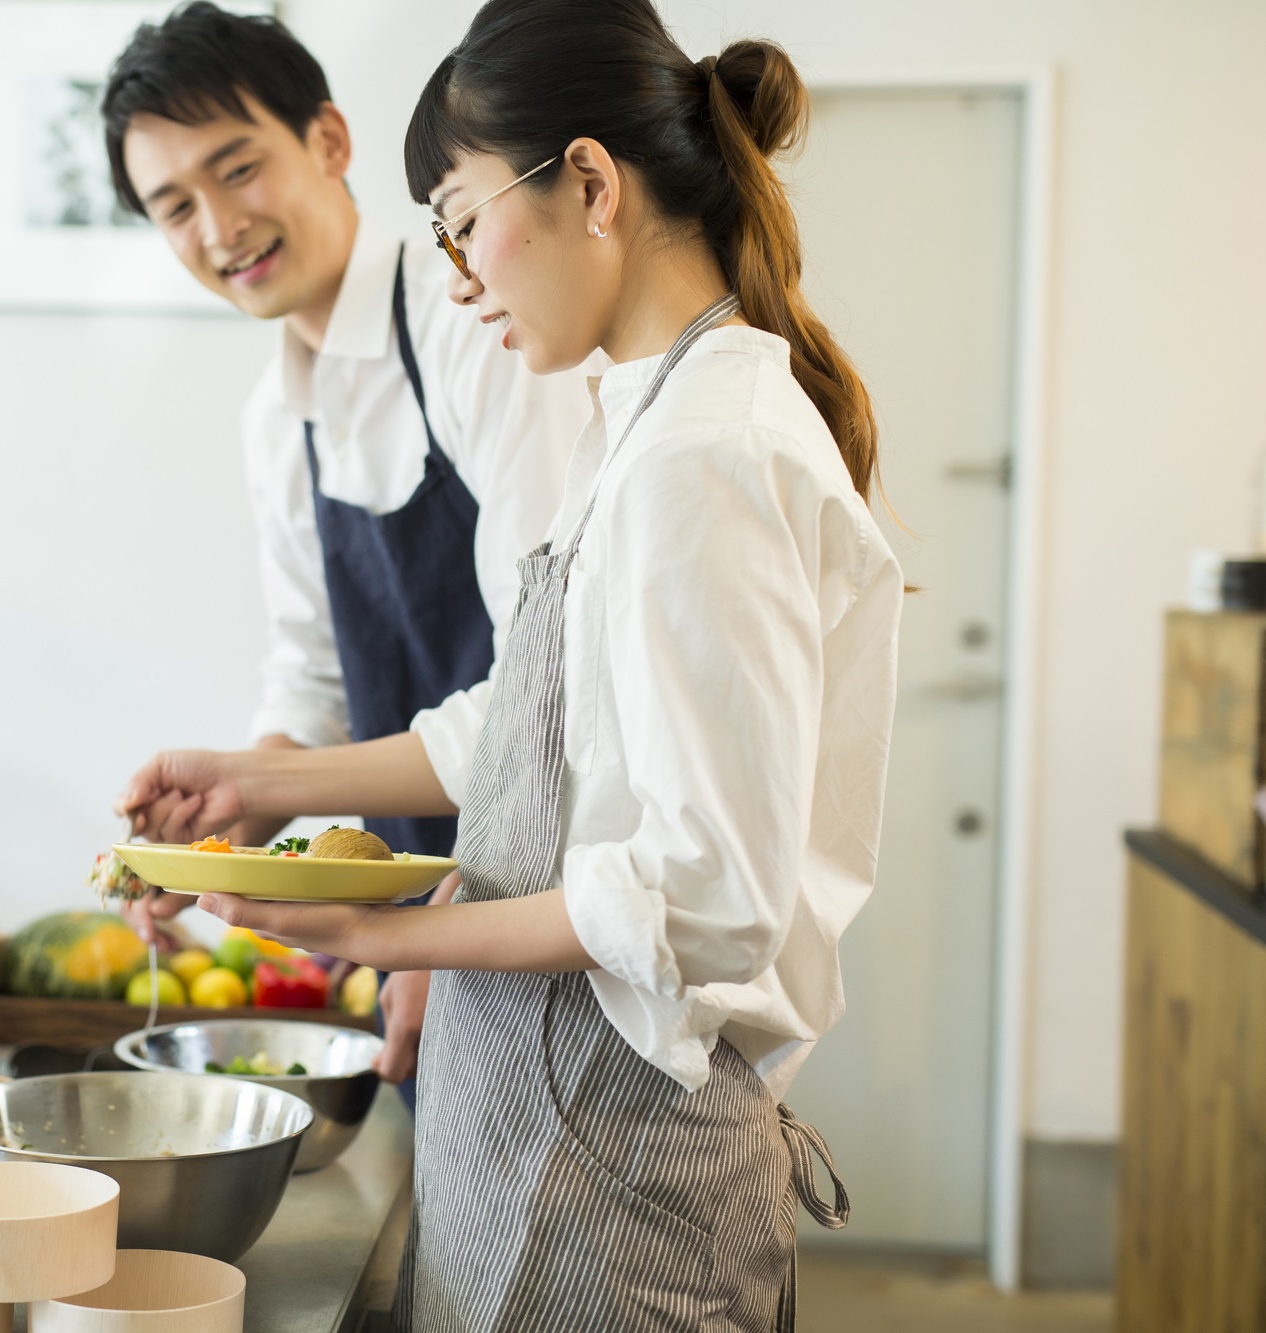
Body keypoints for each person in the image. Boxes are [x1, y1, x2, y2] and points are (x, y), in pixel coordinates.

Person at [118, 0, 904, 1326]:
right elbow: (524, 726)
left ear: (592, 183)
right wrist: (257, 790)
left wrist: (390, 930)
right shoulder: (647, 418)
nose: (463, 269)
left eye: (465, 213)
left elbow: (706, 896)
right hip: (551, 1107)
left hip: (620, 1140)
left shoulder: (701, 450)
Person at [101, 2, 592, 1099]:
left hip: (544, 904)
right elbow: (314, 679)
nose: (217, 227)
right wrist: (220, 826)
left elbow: (554, 683)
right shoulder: (276, 418)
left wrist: (449, 915)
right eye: (172, 205)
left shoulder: (475, 320)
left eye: (236, 170)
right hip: (417, 918)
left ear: (328, 141)